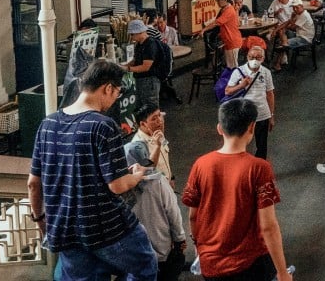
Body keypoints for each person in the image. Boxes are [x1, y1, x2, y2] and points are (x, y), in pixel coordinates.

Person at [28, 60, 156, 279]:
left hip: (64, 227)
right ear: (108, 88)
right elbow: (117, 185)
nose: (116, 98)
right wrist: (136, 175)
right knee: (145, 265)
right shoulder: (103, 126)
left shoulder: (47, 124)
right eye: (117, 92)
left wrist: (40, 219)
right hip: (106, 227)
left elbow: (33, 183)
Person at [182, 99, 292, 281]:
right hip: (250, 265)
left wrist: (199, 245)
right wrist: (282, 272)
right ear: (252, 128)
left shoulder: (201, 165)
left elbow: (193, 216)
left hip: (212, 264)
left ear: (220, 128)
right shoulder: (258, 168)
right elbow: (268, 227)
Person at [123, 140, 186, 281]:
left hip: (135, 255)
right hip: (163, 252)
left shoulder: (121, 188)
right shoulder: (158, 182)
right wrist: (179, 239)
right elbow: (173, 213)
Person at [225, 46, 276, 160]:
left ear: (263, 58)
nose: (254, 60)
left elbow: (270, 94)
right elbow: (227, 91)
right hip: (244, 115)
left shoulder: (266, 72)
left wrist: (271, 115)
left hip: (262, 114)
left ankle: (260, 167)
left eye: (258, 58)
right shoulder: (239, 72)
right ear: (247, 57)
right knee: (241, 143)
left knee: (262, 146)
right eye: (252, 57)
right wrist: (241, 85)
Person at [124, 103, 174, 185]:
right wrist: (157, 146)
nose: (160, 120)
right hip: (155, 190)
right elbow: (148, 169)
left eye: (159, 115)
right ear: (143, 124)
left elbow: (165, 157)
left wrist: (171, 177)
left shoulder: (157, 132)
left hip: (166, 184)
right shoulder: (138, 146)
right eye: (154, 119)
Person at [123, 19, 163, 108]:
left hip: (150, 81)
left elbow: (146, 67)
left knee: (150, 108)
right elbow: (135, 60)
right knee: (141, 108)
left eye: (132, 34)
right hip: (140, 80)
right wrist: (125, 66)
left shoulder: (150, 44)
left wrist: (128, 69)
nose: (131, 37)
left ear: (139, 32)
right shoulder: (139, 44)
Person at [204, 0, 244, 69]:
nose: (217, 3)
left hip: (232, 41)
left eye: (218, 0)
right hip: (229, 41)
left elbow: (216, 23)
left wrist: (203, 30)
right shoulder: (226, 9)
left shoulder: (228, 10)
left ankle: (240, 81)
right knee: (230, 67)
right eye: (216, 1)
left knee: (233, 68)